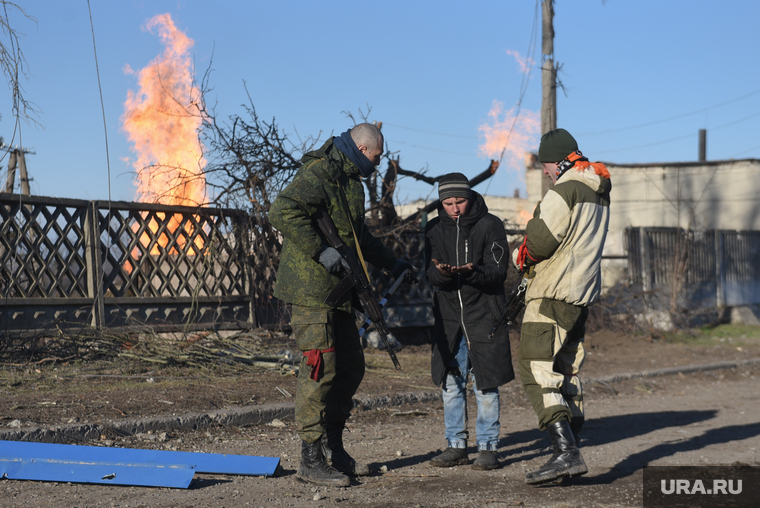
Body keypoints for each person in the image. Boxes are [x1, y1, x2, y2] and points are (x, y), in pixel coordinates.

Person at [269, 123, 415, 487]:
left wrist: (391, 262)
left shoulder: (349, 179)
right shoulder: (321, 171)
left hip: (339, 291)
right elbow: (282, 210)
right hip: (311, 289)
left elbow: (358, 236)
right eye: (377, 157)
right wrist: (321, 250)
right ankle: (310, 457)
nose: (378, 165)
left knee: (350, 366)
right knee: (321, 369)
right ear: (364, 149)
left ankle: (334, 447)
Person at [512, 128, 611, 485]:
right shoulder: (598, 192)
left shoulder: (563, 190)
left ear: (560, 161)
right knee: (566, 372)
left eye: (547, 165)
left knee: (535, 370)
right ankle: (573, 446)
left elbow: (538, 242)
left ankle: (565, 452)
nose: (545, 172)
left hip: (553, 294)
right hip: (580, 297)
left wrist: (518, 255)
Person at [424, 172, 515, 471]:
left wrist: (472, 271)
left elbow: (499, 272)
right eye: (447, 202)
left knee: (486, 385)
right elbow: (429, 272)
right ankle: (456, 445)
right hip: (449, 319)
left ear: (469, 197)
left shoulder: (492, 225)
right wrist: (443, 272)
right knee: (451, 384)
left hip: (485, 316)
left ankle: (488, 447)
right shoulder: (434, 228)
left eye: (459, 201)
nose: (454, 208)